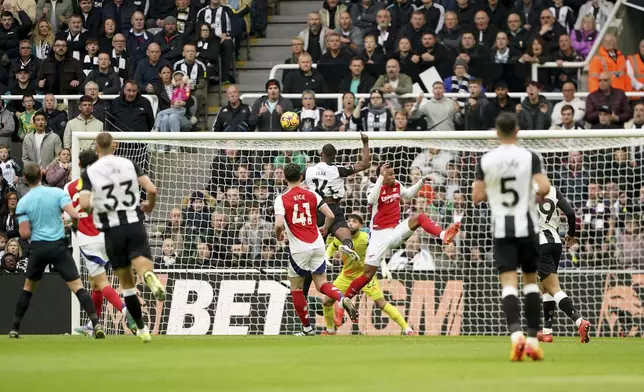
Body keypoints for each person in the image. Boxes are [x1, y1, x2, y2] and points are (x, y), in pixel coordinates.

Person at [472, 112, 551, 361]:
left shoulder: (486, 160)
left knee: (508, 285)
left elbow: (477, 197)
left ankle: (515, 336)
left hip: (502, 229)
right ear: (517, 130)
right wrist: (533, 191)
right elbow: (545, 188)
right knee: (530, 284)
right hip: (527, 227)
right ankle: (531, 341)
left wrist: (492, 191)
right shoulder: (529, 157)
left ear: (497, 132)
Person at [339, 163, 460, 323]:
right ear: (382, 175)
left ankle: (444, 234)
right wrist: (381, 177)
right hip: (378, 236)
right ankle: (344, 302)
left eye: (393, 173)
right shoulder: (372, 188)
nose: (393, 176)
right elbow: (371, 199)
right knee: (367, 275)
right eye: (389, 174)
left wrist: (421, 181)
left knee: (419, 217)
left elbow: (408, 195)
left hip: (395, 231)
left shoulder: (396, 185)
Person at [78, 132, 165, 343]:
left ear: (97, 148)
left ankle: (143, 330)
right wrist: (149, 206)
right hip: (134, 224)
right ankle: (148, 277)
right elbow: (151, 189)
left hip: (112, 231)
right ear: (115, 145)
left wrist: (95, 207)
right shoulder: (129, 163)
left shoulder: (89, 172)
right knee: (143, 268)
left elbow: (84, 204)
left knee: (127, 285)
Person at [9, 162, 104, 339]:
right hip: (59, 246)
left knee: (28, 287)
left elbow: (24, 233)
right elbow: (75, 215)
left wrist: (34, 229)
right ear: (41, 175)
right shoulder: (57, 193)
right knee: (78, 287)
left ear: (25, 180)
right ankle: (96, 324)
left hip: (38, 248)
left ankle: (15, 328)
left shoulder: (23, 202)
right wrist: (71, 226)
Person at [274, 163, 358, 335]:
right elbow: (331, 215)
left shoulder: (281, 199)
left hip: (299, 248)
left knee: (296, 288)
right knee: (322, 284)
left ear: (284, 179)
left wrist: (279, 236)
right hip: (318, 244)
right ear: (300, 177)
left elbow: (279, 223)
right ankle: (342, 299)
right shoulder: (312, 194)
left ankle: (307, 329)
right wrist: (325, 228)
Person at [66, 149, 138, 336]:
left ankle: (125, 310)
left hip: (88, 239)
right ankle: (94, 325)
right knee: (95, 283)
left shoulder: (70, 187)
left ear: (79, 164)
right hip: (108, 236)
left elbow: (69, 216)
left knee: (101, 282)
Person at [322, 214, 415, 335]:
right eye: (349, 221)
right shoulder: (342, 236)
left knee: (381, 303)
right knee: (326, 301)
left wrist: (384, 267)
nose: (350, 223)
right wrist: (327, 256)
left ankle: (407, 329)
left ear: (360, 225)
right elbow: (331, 247)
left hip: (365, 276)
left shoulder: (366, 238)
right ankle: (330, 330)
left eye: (354, 221)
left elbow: (378, 253)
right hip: (346, 275)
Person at [533, 184, 591, 343]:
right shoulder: (551, 189)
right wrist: (571, 235)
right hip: (556, 242)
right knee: (544, 286)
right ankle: (547, 331)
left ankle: (579, 320)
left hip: (538, 243)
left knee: (552, 288)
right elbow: (571, 213)